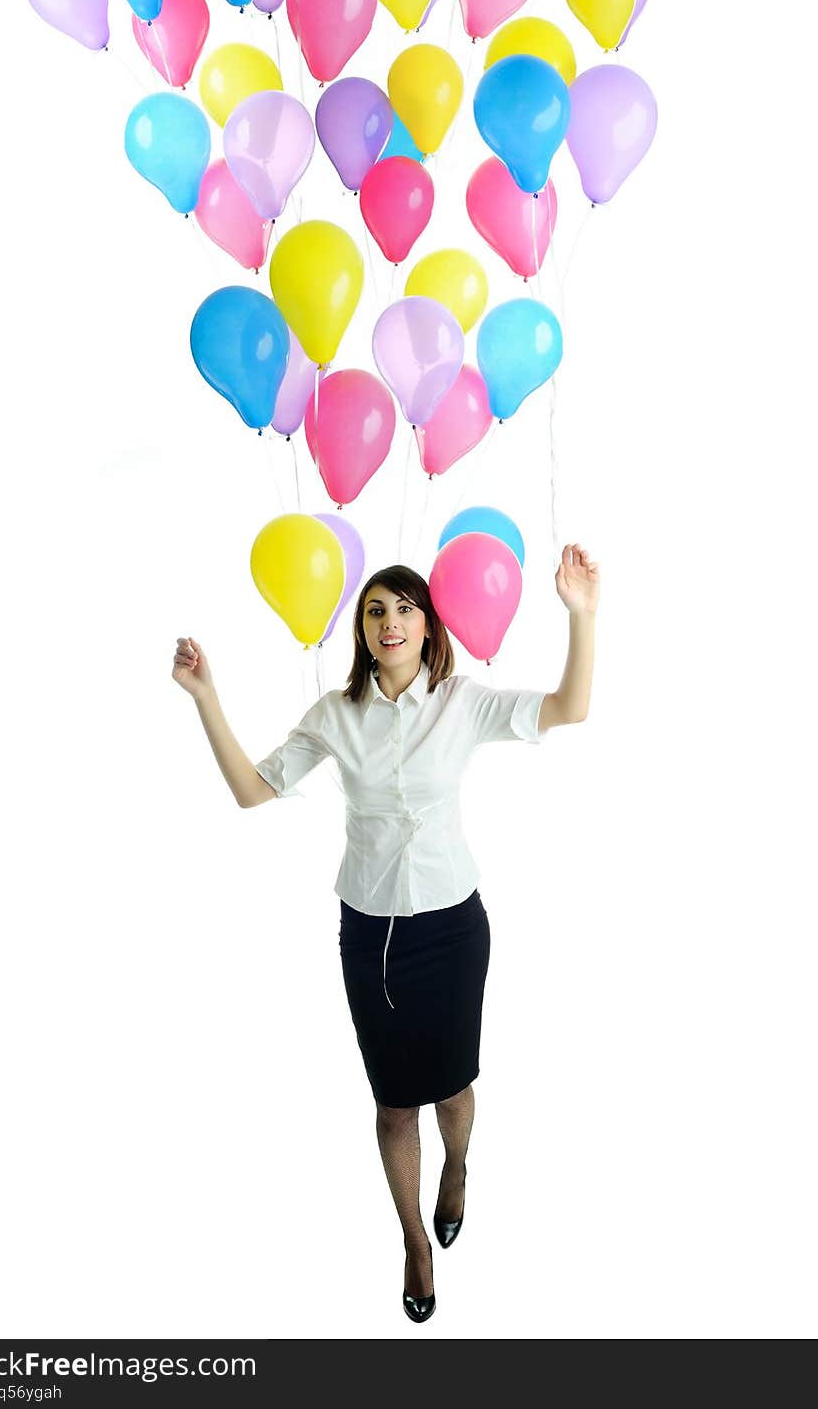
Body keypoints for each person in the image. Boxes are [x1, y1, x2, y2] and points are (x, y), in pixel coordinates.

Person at [172, 542, 599, 1323]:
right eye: (376, 609)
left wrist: (581, 615)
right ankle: (413, 1240)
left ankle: (459, 1167)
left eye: (405, 607)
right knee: (394, 1106)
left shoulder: (462, 702)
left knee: (454, 1087)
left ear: (429, 623)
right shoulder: (336, 716)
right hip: (369, 933)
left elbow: (570, 708)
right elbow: (250, 790)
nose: (390, 620)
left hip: (453, 926)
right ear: (362, 630)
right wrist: (206, 695)